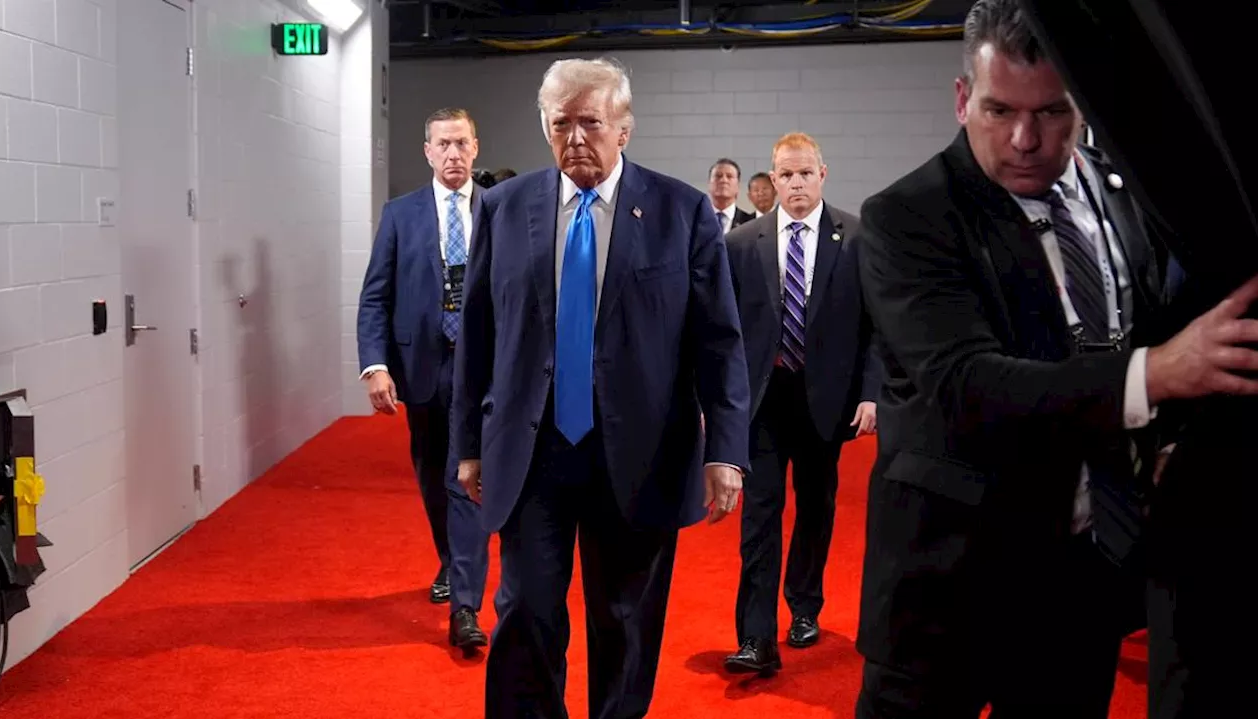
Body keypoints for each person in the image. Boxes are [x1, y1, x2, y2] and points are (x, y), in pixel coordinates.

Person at [847, 0, 1258, 714]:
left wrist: (1167, 436)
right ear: (961, 98)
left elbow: (1143, 318)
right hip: (949, 584)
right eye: (999, 110)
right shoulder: (905, 215)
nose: (1026, 139)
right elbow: (965, 383)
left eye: (1053, 113)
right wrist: (1156, 373)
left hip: (1084, 577)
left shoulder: (1122, 191)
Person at [451, 57, 751, 719]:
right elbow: (477, 335)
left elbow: (719, 340)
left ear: (625, 128)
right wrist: (467, 445)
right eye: (562, 123)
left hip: (641, 451)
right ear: (544, 127)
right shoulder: (502, 208)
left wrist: (725, 450)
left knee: (624, 621)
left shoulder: (681, 212)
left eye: (591, 122)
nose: (576, 137)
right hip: (533, 451)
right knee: (525, 607)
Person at [723, 132, 880, 675]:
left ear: (823, 173)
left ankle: (805, 608)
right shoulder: (743, 243)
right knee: (759, 516)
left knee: (816, 509)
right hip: (763, 400)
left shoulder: (856, 238)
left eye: (804, 173)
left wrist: (870, 392)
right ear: (771, 179)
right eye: (785, 175)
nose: (795, 183)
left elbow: (874, 328)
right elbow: (726, 331)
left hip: (826, 400)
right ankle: (755, 638)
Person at [356, 107, 492, 652]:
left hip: (483, 367)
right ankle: (450, 560)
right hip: (423, 368)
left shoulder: (501, 209)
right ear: (428, 152)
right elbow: (375, 295)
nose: (454, 153)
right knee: (433, 473)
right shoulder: (400, 214)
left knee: (467, 477)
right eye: (444, 144)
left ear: (476, 148)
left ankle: (466, 605)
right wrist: (375, 363)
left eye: (462, 143)